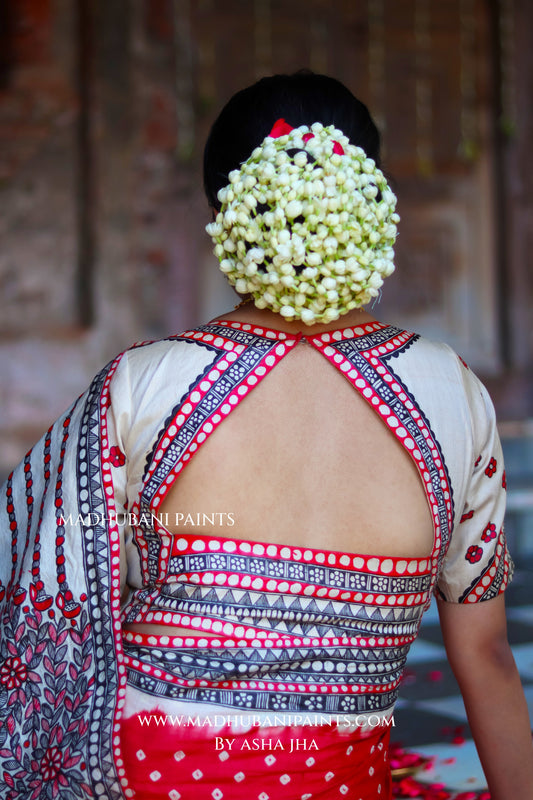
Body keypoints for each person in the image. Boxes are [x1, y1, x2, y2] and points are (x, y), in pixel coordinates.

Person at [0, 72, 532, 800]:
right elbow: (488, 655)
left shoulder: (143, 385)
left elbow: (46, 602)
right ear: (366, 198)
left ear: (224, 211)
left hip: (138, 777)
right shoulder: (454, 394)